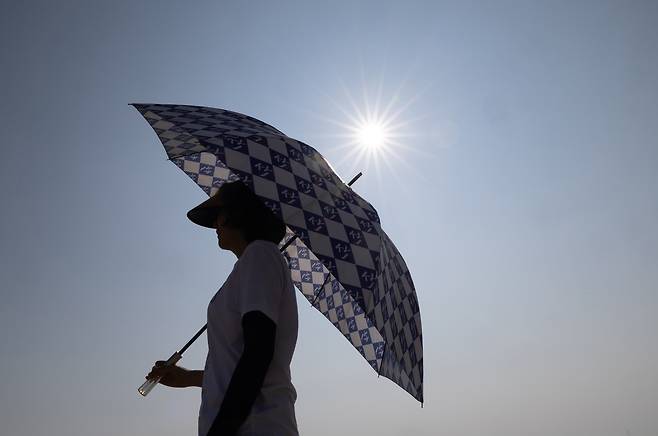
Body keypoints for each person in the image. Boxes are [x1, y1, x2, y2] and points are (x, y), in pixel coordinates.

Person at [146, 181, 299, 436]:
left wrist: (222, 430)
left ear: (235, 214)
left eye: (218, 215)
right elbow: (235, 362)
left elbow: (258, 352)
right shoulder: (250, 265)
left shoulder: (260, 254)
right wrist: (187, 378)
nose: (215, 225)